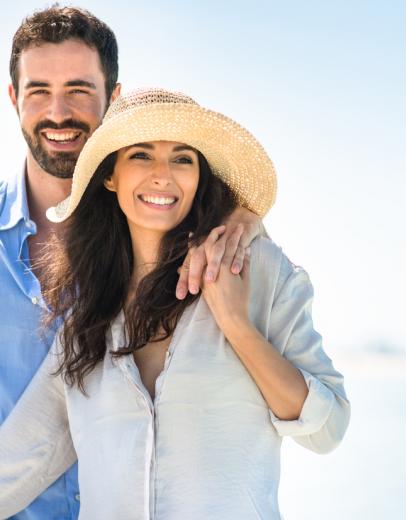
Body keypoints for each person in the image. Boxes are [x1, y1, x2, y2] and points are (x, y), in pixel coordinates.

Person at [0, 87, 350, 519]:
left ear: (200, 175)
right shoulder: (86, 317)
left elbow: (328, 428)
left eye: (183, 158)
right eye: (142, 155)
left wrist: (236, 325)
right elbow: (20, 460)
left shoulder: (257, 270)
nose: (163, 175)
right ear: (110, 175)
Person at [1, 6, 263, 519]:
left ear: (113, 100)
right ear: (13, 98)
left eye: (79, 89)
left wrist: (245, 218)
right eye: (38, 92)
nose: (59, 112)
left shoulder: (170, 245)